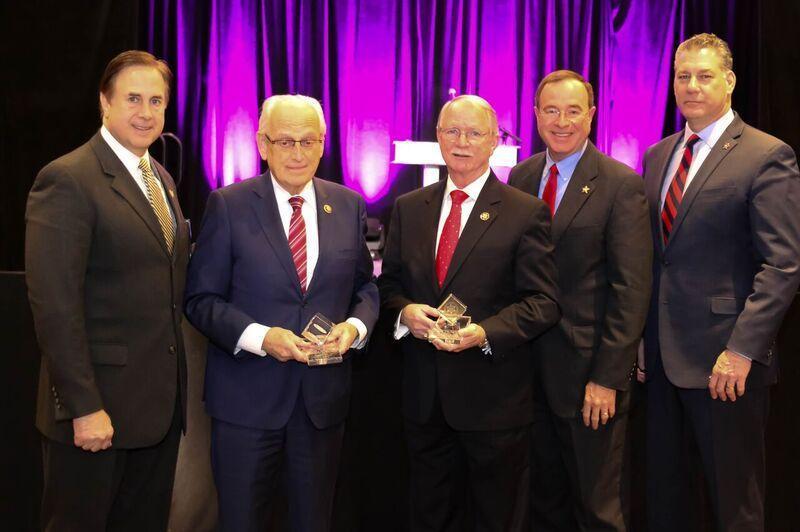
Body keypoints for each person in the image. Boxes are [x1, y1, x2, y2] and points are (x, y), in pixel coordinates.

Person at [183, 94, 379, 532]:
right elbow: (200, 299)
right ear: (261, 144)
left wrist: (355, 327)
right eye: (285, 141)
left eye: (308, 141)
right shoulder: (228, 205)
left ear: (324, 144)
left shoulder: (348, 204)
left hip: (321, 405)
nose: (297, 153)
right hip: (246, 405)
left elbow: (364, 285)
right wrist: (260, 337)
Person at [378, 95, 560, 531]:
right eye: (452, 131)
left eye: (474, 133)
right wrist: (406, 314)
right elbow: (388, 287)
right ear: (438, 137)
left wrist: (484, 333)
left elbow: (543, 302)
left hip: (493, 403)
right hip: (424, 401)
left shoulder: (524, 211)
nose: (462, 142)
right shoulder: (409, 207)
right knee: (429, 517)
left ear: (495, 142)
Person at [641, 33, 800, 532]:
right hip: (659, 364)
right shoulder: (656, 155)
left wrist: (742, 351)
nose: (691, 86)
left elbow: (782, 266)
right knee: (666, 502)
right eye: (682, 76)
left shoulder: (766, 154)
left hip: (724, 365)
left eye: (704, 75)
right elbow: (653, 261)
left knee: (736, 506)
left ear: (729, 82)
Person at [25, 50, 189, 531]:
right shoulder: (68, 179)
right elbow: (55, 307)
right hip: (95, 417)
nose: (146, 112)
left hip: (155, 414)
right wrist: (84, 407)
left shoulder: (160, 178)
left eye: (156, 100)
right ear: (104, 103)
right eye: (133, 98)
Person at [508, 70, 652, 531]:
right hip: (529, 375)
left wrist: (607, 378)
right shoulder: (521, 174)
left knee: (596, 509)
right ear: (535, 116)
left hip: (589, 379)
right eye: (551, 110)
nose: (562, 121)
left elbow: (631, 290)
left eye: (573, 111)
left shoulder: (620, 184)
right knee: (543, 504)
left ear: (591, 116)